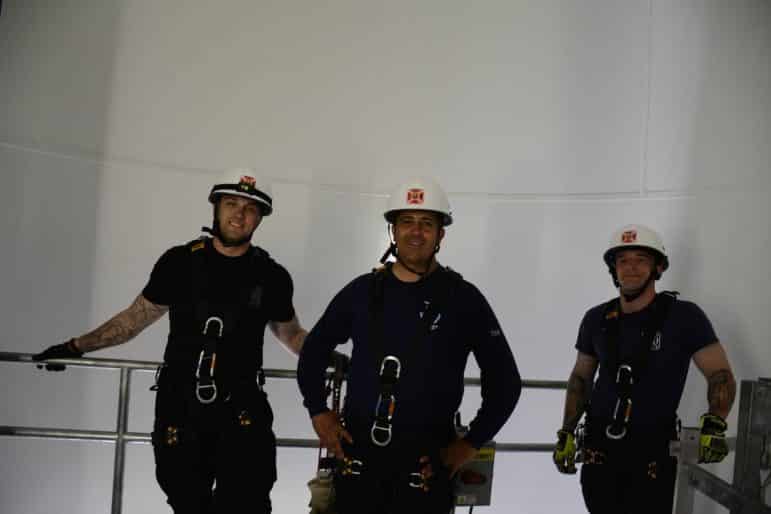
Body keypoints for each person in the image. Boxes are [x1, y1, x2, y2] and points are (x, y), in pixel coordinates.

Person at [33, 168, 308, 514]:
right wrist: (76, 346)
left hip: (242, 410)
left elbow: (290, 333)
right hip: (181, 408)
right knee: (187, 502)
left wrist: (329, 357)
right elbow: (133, 320)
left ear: (260, 218)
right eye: (231, 203)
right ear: (216, 207)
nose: (239, 214)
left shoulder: (271, 276)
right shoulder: (180, 263)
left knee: (247, 503)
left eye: (250, 208)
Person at [297, 177, 522, 514]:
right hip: (358, 464)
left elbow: (505, 383)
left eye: (426, 223)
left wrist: (469, 444)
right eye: (407, 222)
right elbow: (313, 353)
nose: (416, 232)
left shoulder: (464, 300)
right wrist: (318, 411)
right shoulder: (362, 292)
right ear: (393, 230)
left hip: (426, 469)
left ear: (441, 234)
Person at [552, 224, 736, 514]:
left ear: (658, 267)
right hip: (599, 455)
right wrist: (567, 431)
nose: (631, 268)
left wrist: (715, 423)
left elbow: (720, 374)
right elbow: (580, 378)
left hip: (652, 456)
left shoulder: (684, 317)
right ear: (614, 269)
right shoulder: (596, 319)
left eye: (641, 259)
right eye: (623, 261)